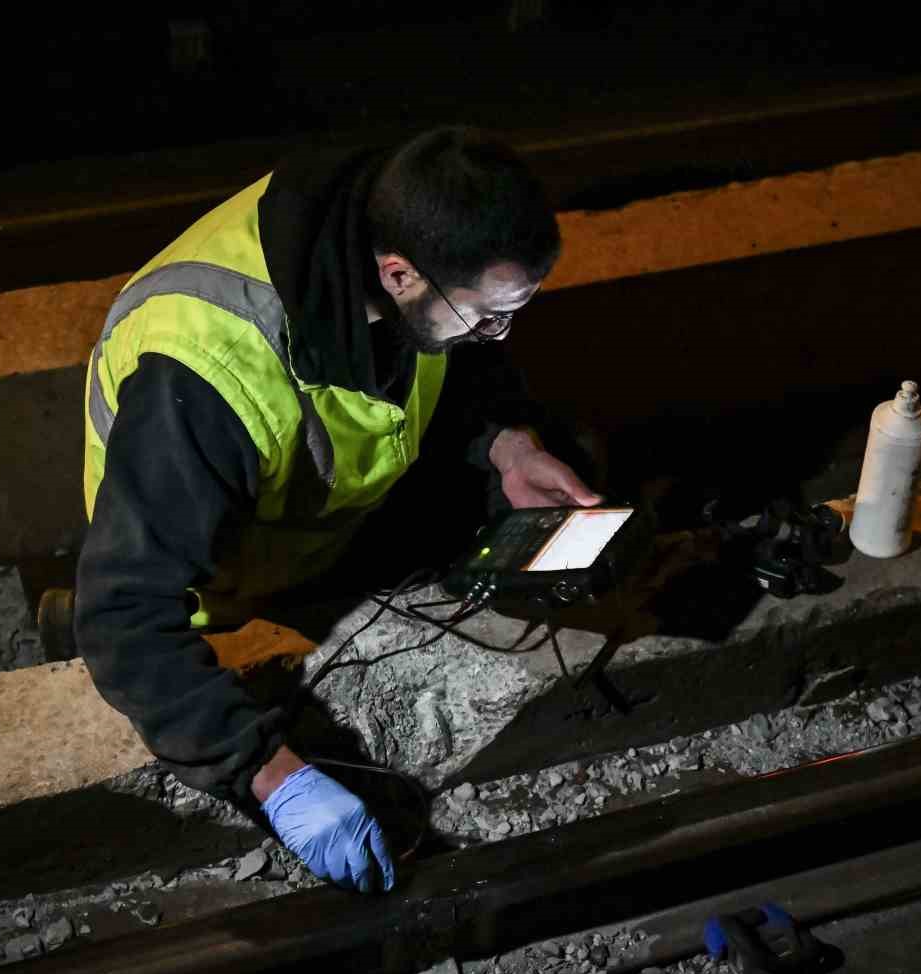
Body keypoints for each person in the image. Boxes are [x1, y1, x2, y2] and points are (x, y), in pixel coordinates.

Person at [72, 127, 599, 894]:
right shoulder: (205, 373)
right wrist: (269, 774)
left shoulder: (405, 224)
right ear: (398, 274)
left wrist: (508, 447)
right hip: (216, 571)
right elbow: (120, 615)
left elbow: (467, 367)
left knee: (565, 452)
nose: (497, 334)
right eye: (486, 317)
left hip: (323, 512)